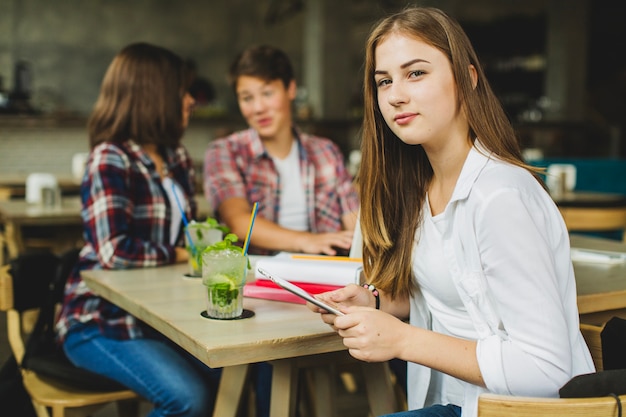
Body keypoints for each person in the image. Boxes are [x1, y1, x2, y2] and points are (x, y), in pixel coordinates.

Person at [309, 7, 595, 417]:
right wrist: (374, 303)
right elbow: (450, 301)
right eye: (384, 81)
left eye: (416, 73)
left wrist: (403, 340)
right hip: (454, 404)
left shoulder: (500, 197)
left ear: (468, 78)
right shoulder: (422, 186)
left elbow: (545, 369)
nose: (395, 95)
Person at [55, 42, 222, 417]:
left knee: (239, 377)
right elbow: (113, 250)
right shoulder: (110, 157)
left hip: (161, 315)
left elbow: (189, 233)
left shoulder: (176, 156)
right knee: (187, 399)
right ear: (155, 95)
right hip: (100, 321)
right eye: (183, 91)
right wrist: (182, 254)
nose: (191, 100)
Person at [203, 44, 359, 256]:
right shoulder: (225, 151)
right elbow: (239, 223)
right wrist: (307, 241)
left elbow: (355, 221)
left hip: (322, 271)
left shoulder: (326, 151)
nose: (258, 108)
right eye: (247, 98)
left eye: (267, 93)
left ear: (291, 89)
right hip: (256, 275)